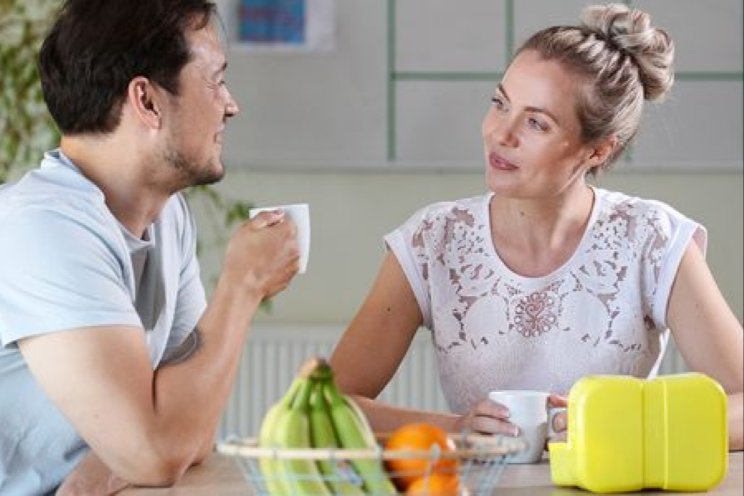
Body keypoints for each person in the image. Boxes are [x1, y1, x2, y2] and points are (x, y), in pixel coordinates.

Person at [330, 3, 743, 451]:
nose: (500, 134)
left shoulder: (652, 240)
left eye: (535, 122)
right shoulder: (433, 240)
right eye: (499, 104)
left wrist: (633, 427)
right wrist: (455, 428)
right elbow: (329, 406)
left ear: (598, 151)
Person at [0, 0, 301, 493]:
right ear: (146, 101)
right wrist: (243, 284)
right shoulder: (41, 228)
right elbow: (159, 453)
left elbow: (189, 432)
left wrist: (101, 470)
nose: (230, 104)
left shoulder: (166, 216)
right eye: (215, 79)